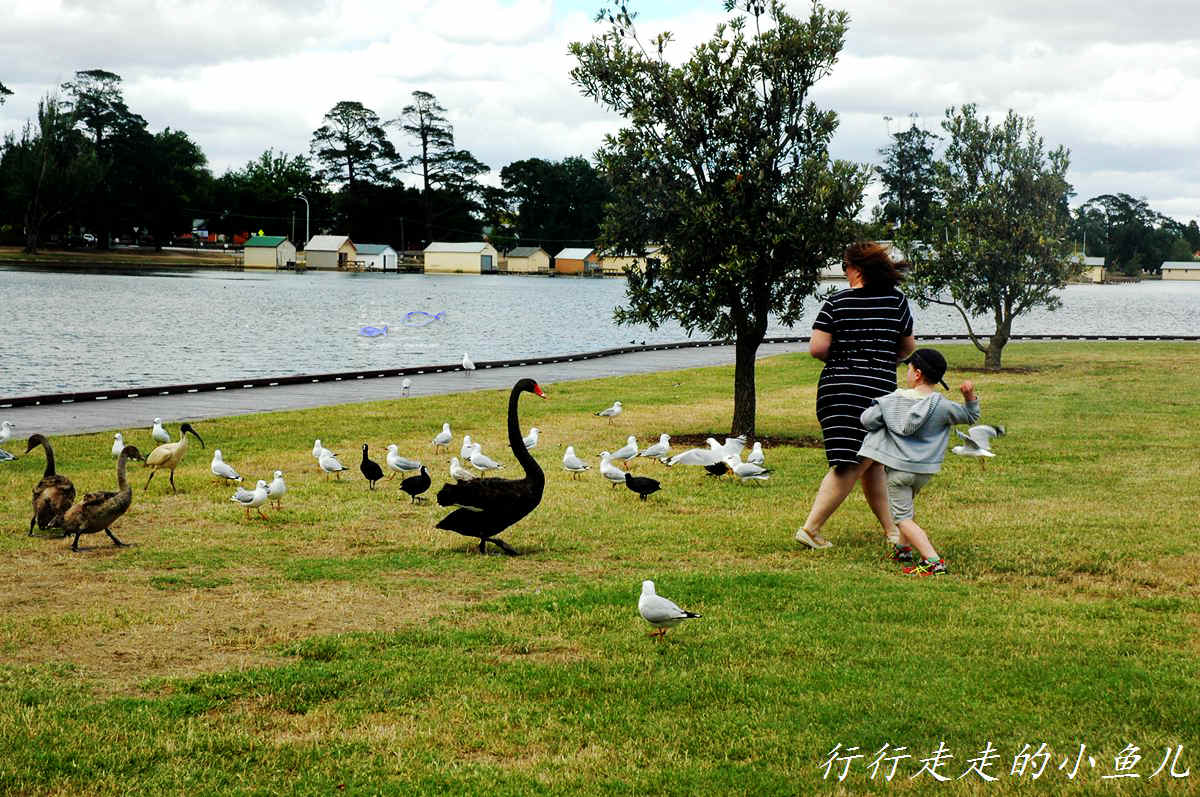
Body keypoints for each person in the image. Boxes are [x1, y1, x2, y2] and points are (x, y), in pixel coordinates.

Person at [795, 241, 916, 549]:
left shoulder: (837, 302)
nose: (844, 272)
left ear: (856, 269)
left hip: (837, 390)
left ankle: (892, 531)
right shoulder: (896, 302)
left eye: (844, 267)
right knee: (852, 462)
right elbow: (907, 348)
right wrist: (881, 358)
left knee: (871, 461)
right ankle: (810, 529)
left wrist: (845, 358)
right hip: (877, 390)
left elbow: (818, 348)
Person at [857, 348, 980, 576]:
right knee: (907, 506)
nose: (907, 373)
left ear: (917, 374)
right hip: (924, 471)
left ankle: (933, 561)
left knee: (902, 518)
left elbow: (866, 420)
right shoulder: (942, 406)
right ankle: (903, 549)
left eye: (909, 368)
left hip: (898, 471)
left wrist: (883, 418)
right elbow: (971, 416)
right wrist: (969, 395)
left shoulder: (891, 401)